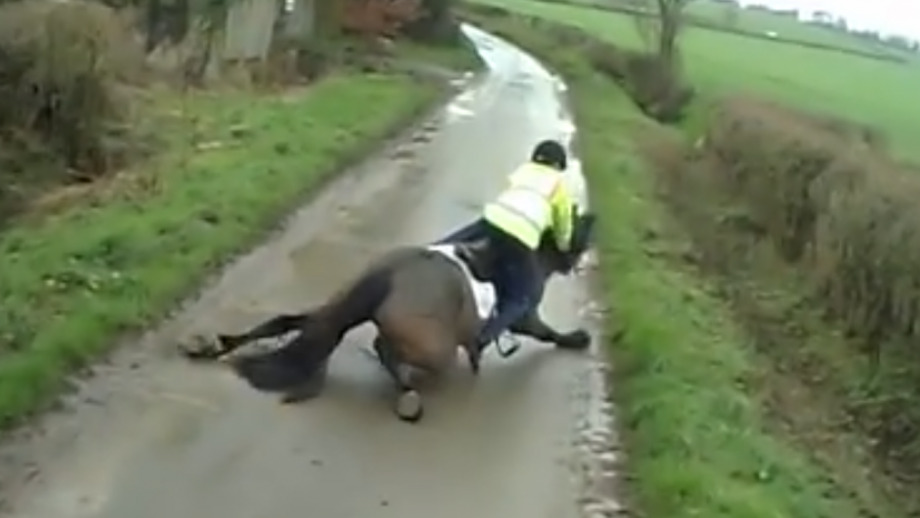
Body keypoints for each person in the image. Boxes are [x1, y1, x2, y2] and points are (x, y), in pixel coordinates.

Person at [467, 139, 576, 354]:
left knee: (449, 245)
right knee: (523, 297)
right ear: (557, 165)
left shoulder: (522, 172)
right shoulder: (559, 186)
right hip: (520, 236)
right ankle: (482, 340)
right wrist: (563, 246)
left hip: (491, 220)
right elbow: (563, 225)